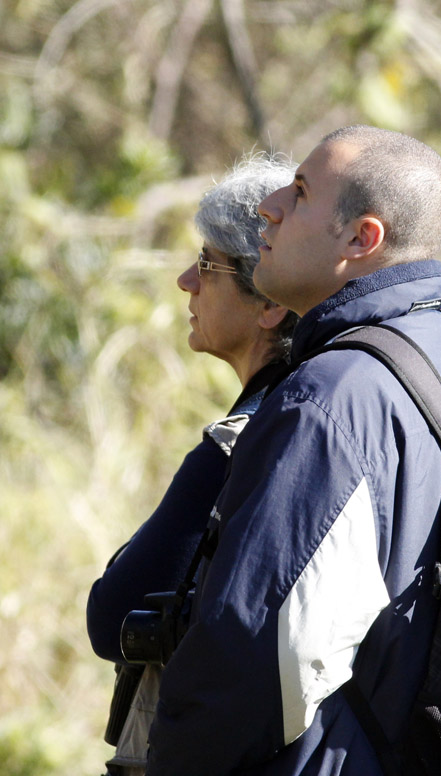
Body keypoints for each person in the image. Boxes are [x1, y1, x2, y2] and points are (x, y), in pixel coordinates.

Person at [143, 125, 441, 776]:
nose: (268, 206)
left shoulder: (326, 397)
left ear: (361, 238)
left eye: (298, 193)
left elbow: (252, 655)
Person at [86, 152, 298, 774]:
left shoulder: (242, 443)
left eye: (207, 264)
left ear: (270, 305)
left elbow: (113, 616)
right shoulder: (311, 406)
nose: (186, 281)